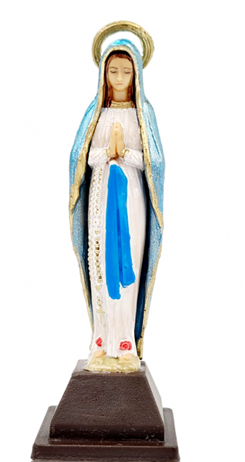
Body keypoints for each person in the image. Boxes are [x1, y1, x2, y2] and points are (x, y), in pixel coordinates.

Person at [69, 37, 165, 372]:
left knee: (128, 262)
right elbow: (82, 157)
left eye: (126, 71)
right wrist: (107, 153)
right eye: (114, 71)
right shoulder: (96, 113)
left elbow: (154, 162)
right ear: (104, 74)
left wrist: (123, 152)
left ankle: (125, 342)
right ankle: (100, 339)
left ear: (136, 74)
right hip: (100, 197)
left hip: (131, 199)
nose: (120, 77)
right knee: (99, 262)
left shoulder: (143, 115)